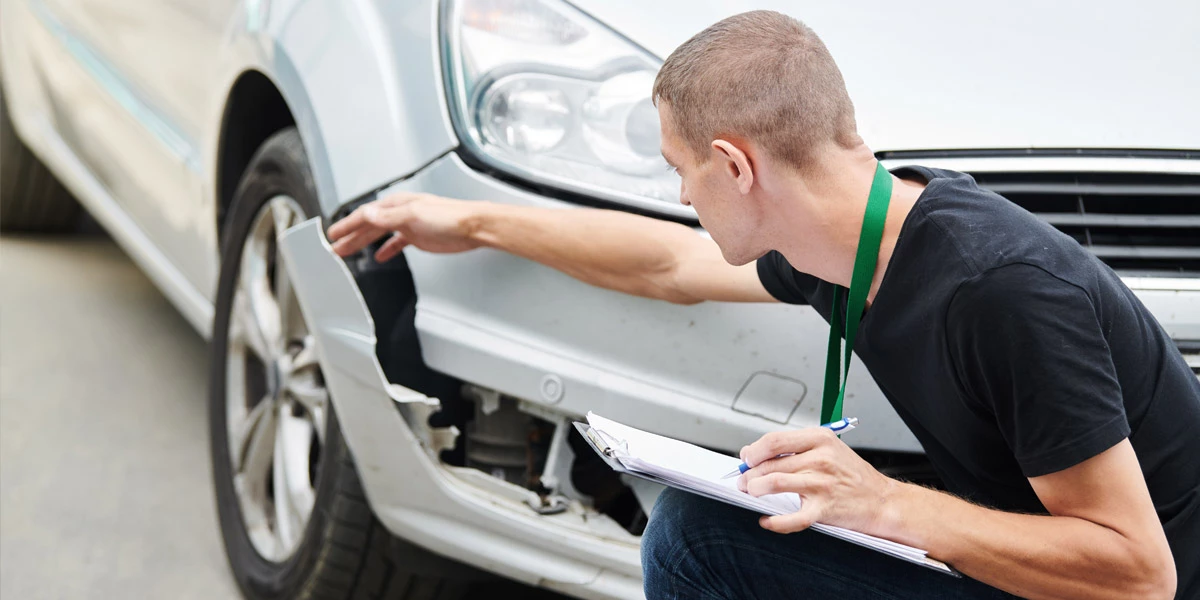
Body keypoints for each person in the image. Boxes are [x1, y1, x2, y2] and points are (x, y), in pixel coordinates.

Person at [327, 10, 1197, 599]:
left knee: (698, 544)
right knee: (709, 521)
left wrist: (887, 504)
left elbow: (1137, 574)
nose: (679, 194)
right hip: (1037, 560)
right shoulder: (846, 237)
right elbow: (668, 265)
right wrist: (472, 220)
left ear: (735, 167)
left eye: (679, 170)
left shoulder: (1000, 290)